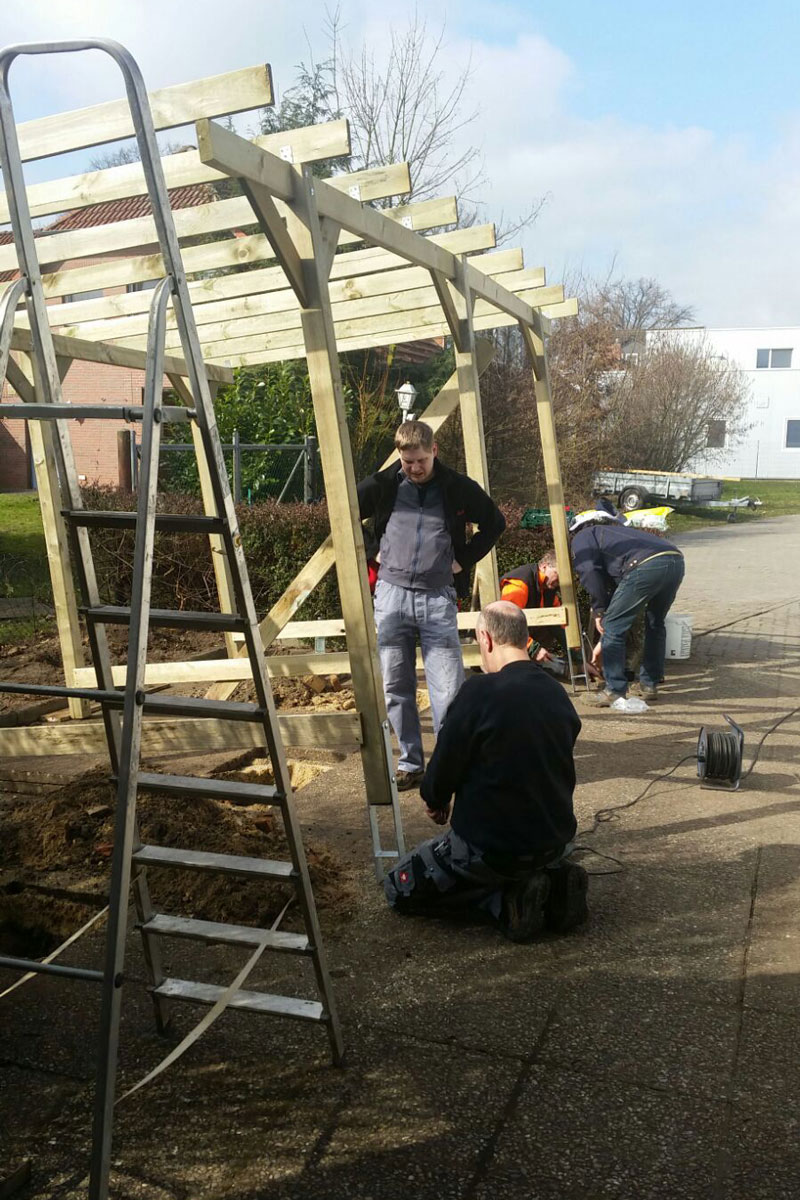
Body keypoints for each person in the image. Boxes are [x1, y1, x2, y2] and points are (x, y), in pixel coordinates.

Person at [384, 601, 588, 941]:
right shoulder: (557, 693)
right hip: (554, 839)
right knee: (523, 859)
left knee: (398, 890)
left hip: (490, 848)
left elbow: (442, 769)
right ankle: (552, 884)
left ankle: (503, 903)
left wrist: (435, 799)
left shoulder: (479, 692)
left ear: (486, 638)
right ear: (525, 638)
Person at [358, 420, 505, 791]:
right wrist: (373, 550)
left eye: (420, 460)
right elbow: (342, 510)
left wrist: (463, 560)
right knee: (396, 684)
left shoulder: (456, 488)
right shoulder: (384, 484)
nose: (414, 468)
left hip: (437, 598)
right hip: (391, 597)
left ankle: (447, 766)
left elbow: (494, 522)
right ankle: (410, 763)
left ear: (434, 451)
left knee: (448, 688)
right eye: (408, 462)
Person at [567, 509, 685, 706]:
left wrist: (599, 610)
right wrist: (602, 641)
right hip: (675, 561)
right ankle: (649, 684)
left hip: (646, 565)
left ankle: (613, 690)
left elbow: (589, 571)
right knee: (655, 622)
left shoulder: (584, 536)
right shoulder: (618, 537)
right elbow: (618, 594)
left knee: (612, 625)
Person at [500, 553, 561, 665]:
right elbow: (508, 622)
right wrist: (533, 648)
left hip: (523, 640)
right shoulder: (519, 584)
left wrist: (577, 655)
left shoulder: (549, 588)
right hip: (504, 642)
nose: (560, 580)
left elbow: (561, 623)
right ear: (544, 566)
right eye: (557, 573)